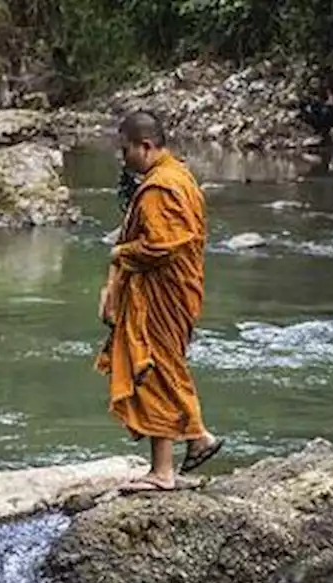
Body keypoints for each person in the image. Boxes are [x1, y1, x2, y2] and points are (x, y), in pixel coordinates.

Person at [96, 112, 224, 491]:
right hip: (173, 292)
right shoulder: (178, 176)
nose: (124, 159)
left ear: (146, 146)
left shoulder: (161, 187)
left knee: (151, 368)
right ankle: (196, 438)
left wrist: (121, 252)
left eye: (126, 151)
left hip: (160, 293)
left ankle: (164, 471)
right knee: (164, 369)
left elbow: (161, 245)